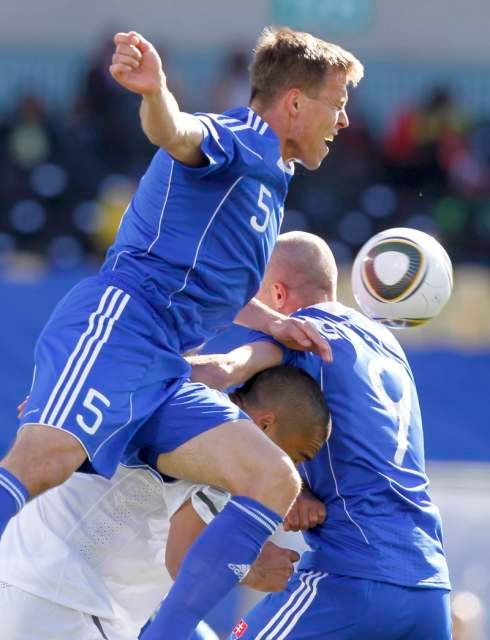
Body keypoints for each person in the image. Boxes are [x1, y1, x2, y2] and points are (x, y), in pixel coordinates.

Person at [0, 27, 362, 638]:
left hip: (165, 361)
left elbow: (211, 282)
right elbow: (180, 134)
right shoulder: (244, 137)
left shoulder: (270, 180)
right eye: (338, 101)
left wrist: (272, 322)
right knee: (46, 458)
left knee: (275, 478)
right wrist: (155, 94)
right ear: (295, 102)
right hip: (122, 323)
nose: (346, 120)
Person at [191, 231, 452, 640]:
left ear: (276, 294)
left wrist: (132, 363)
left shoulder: (299, 333)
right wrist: (292, 485)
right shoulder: (387, 343)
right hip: (430, 586)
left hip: (353, 578)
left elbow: (220, 372)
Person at [0, 366, 330, 640]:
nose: (292, 471)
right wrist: (252, 569)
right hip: (70, 607)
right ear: (264, 424)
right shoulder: (234, 450)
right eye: (297, 457)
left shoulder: (163, 389)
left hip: (23, 579)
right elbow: (185, 561)